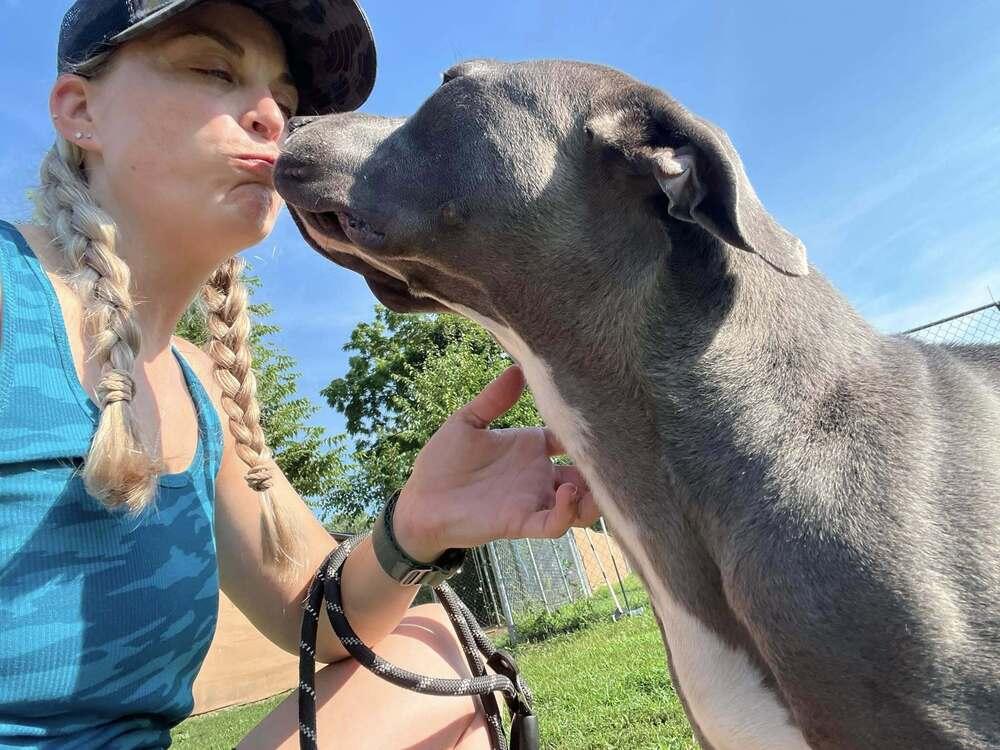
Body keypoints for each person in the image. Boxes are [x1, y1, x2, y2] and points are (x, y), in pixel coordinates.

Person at [0, 1, 600, 748]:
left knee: (431, 650)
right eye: (214, 69)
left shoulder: (202, 386)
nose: (268, 117)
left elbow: (314, 618)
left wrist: (419, 524)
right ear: (78, 110)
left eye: (284, 102)